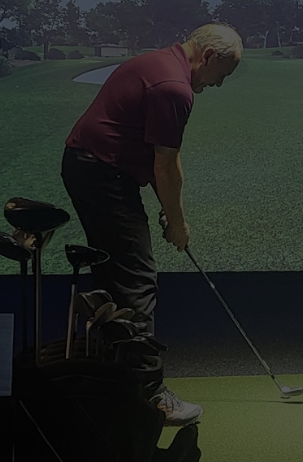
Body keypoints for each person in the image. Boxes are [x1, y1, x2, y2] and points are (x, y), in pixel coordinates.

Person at [61, 22, 242, 426]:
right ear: (208, 56)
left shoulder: (158, 61)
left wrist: (168, 208)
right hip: (102, 174)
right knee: (137, 281)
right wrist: (177, 223)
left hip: (87, 167)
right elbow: (166, 164)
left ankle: (116, 382)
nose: (219, 84)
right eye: (222, 74)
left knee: (115, 276)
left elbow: (151, 155)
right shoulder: (174, 87)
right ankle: (149, 396)